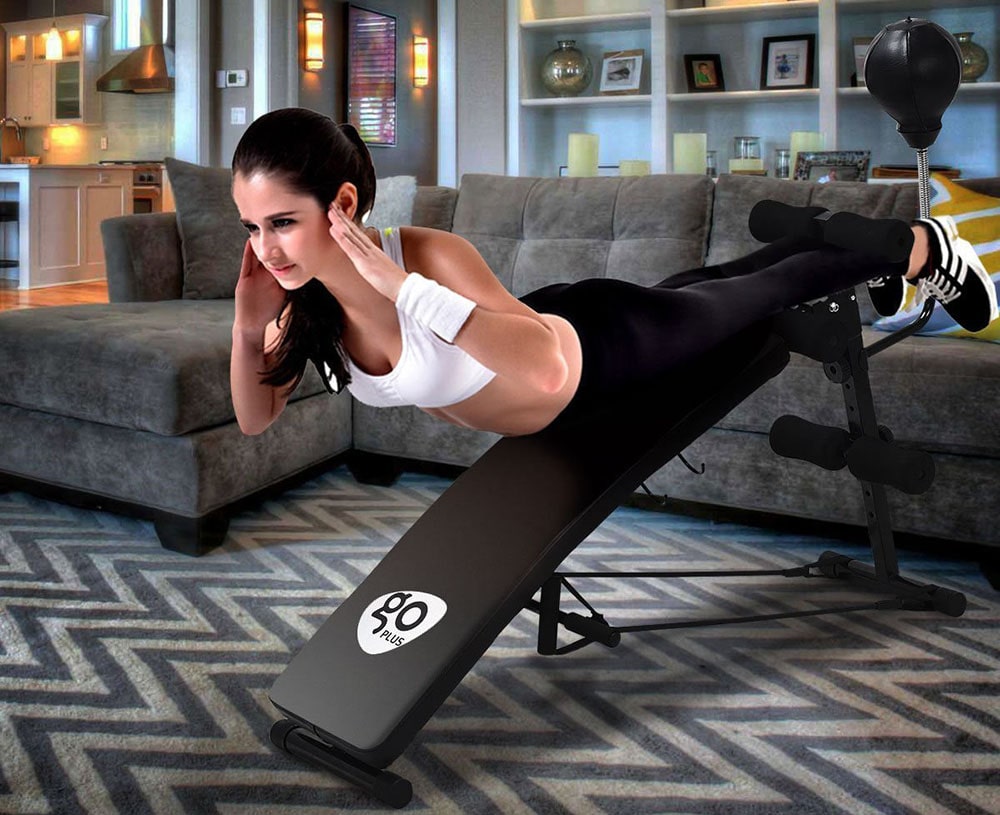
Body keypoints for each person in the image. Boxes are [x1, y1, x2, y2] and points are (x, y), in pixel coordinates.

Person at [230, 108, 997, 439]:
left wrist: (405, 293)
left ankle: (920, 247)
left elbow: (543, 366)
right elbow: (256, 420)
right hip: (568, 331)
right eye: (251, 228)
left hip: (601, 346)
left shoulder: (424, 257)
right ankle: (834, 238)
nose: (267, 247)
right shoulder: (300, 309)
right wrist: (242, 318)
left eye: (283, 222)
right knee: (723, 281)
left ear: (344, 202)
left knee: (756, 294)